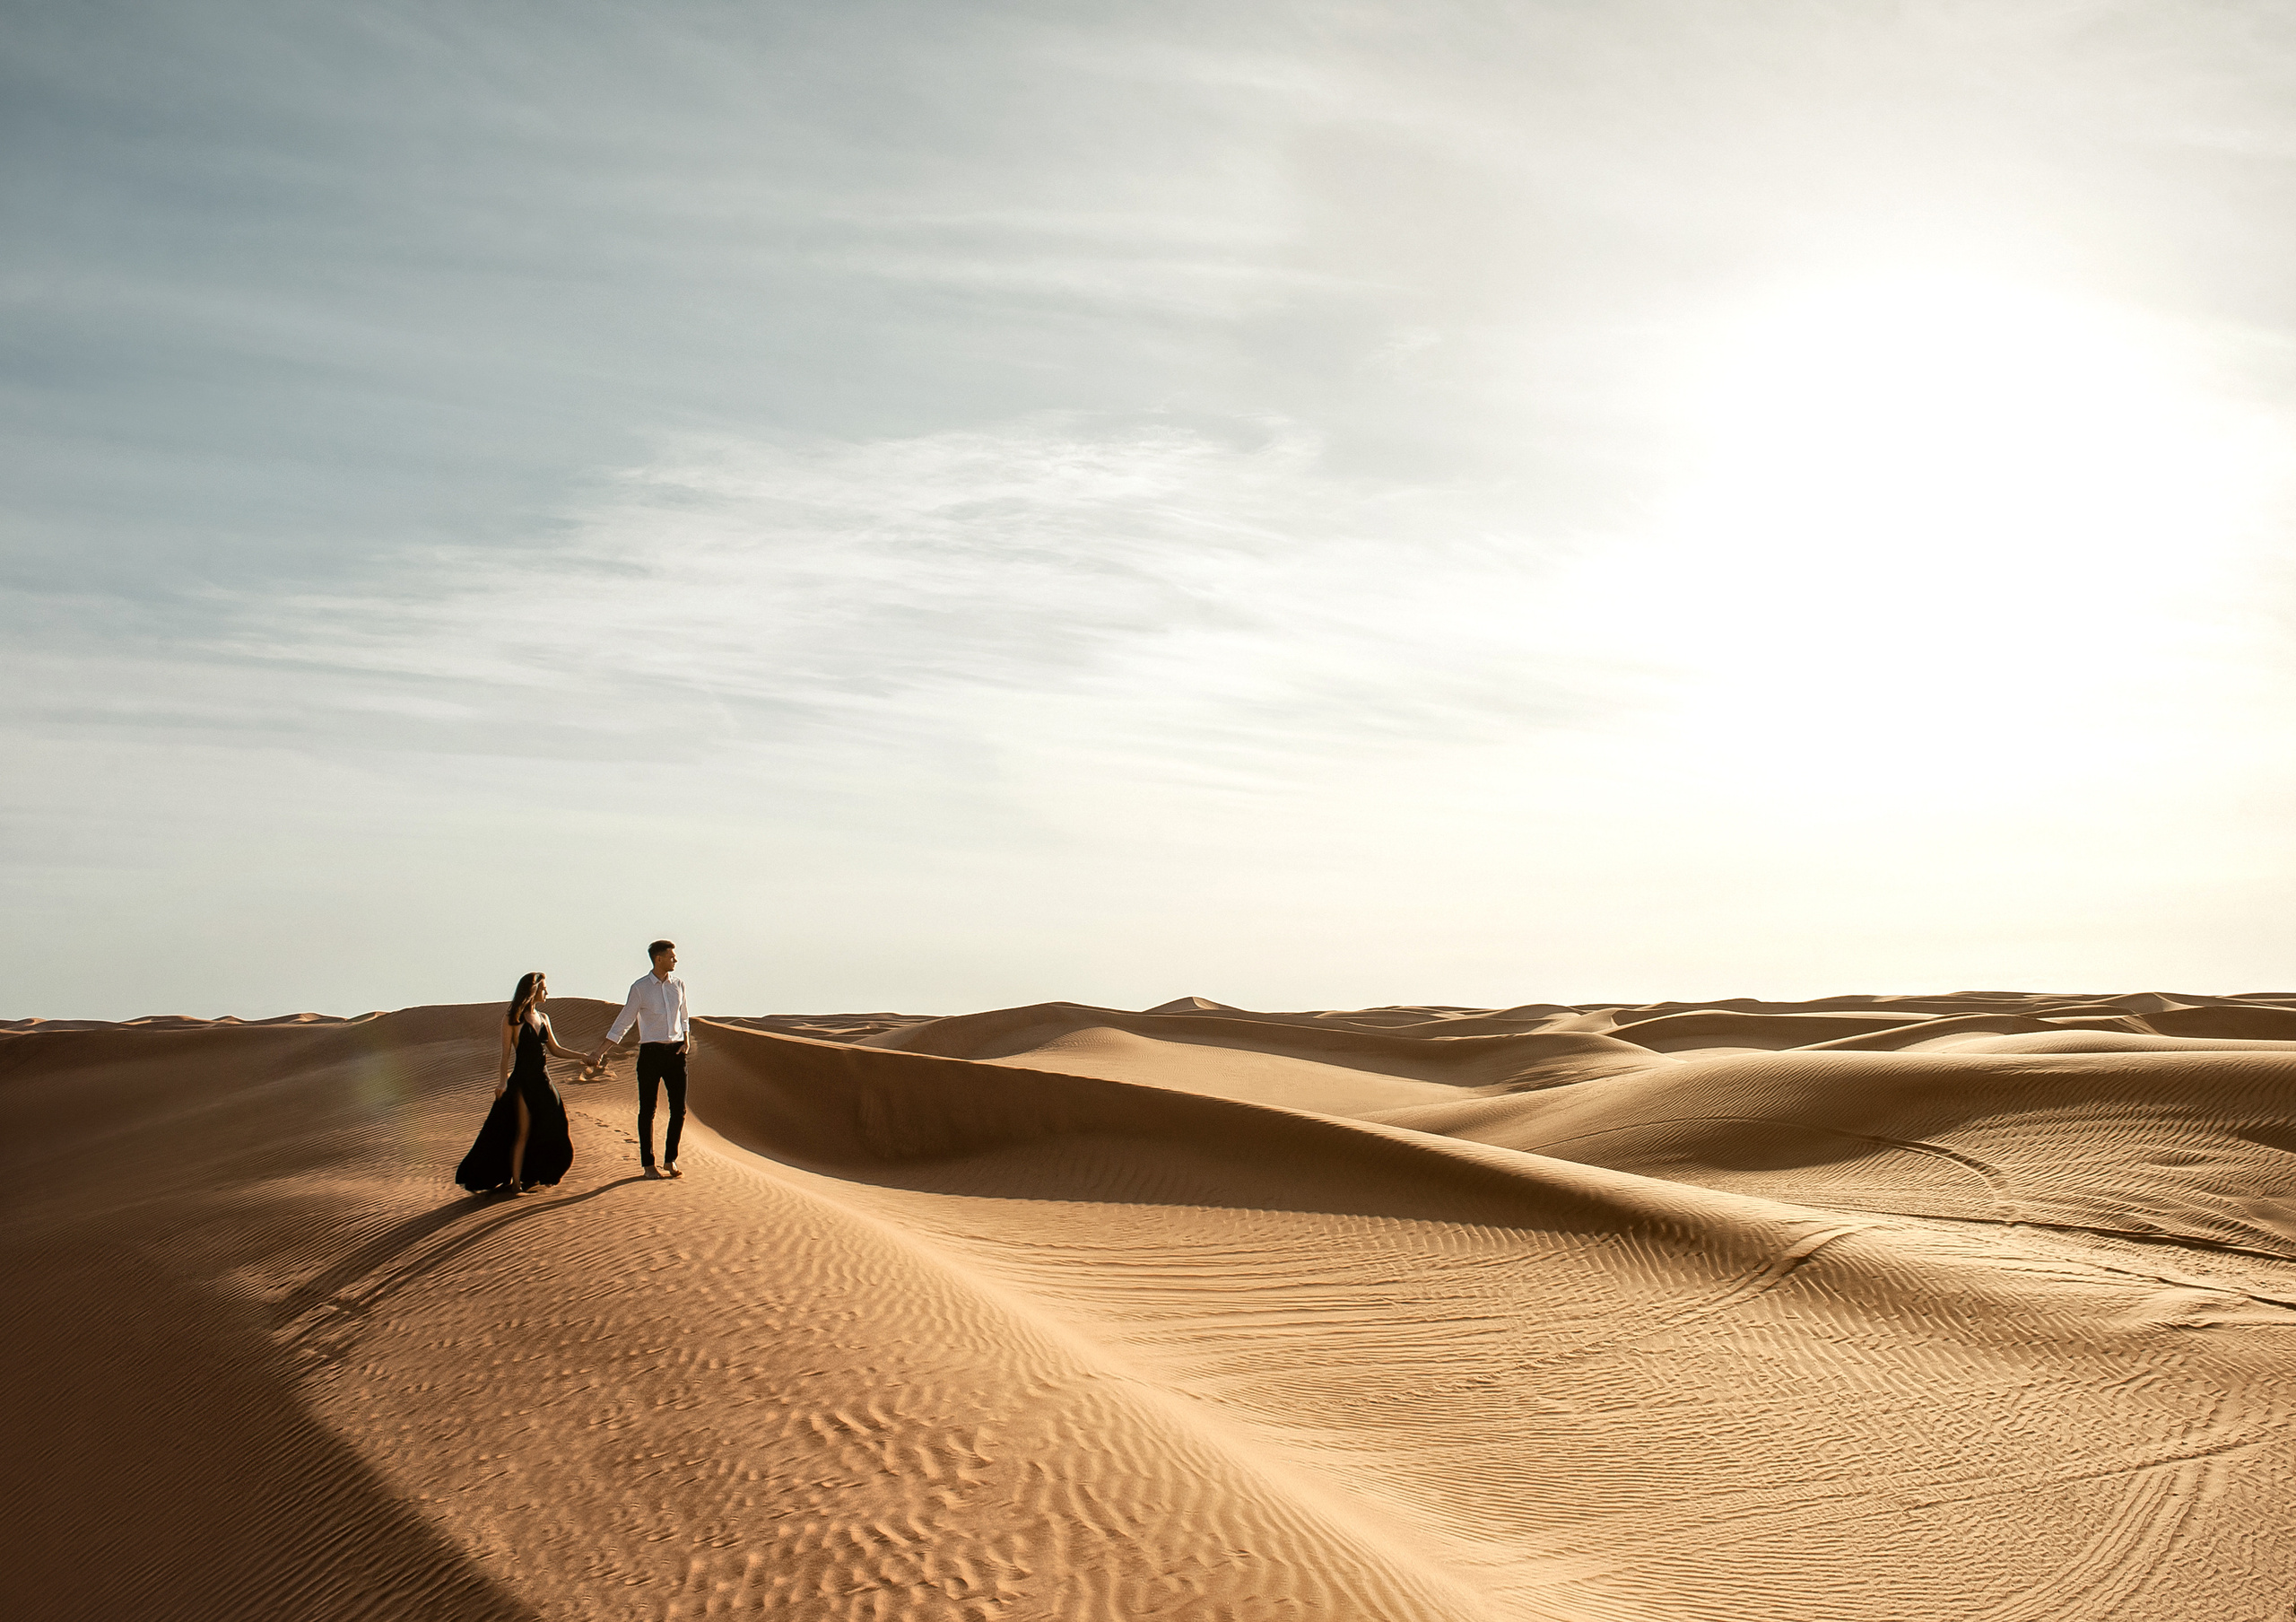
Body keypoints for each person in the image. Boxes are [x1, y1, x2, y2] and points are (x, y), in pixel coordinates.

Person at [455, 970, 583, 1195]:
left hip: (544, 1081)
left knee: (555, 1123)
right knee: (522, 1131)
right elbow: (505, 1055)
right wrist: (502, 1083)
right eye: (544, 989)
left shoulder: (544, 1018)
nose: (547, 992)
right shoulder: (512, 1018)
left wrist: (584, 1056)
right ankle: (515, 1184)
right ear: (533, 991)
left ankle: (539, 1172)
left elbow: (555, 1049)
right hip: (522, 1082)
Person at [593, 939, 692, 1178]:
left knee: (679, 1110)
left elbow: (685, 1015)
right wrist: (601, 1050)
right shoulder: (640, 988)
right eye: (671, 956)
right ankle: (648, 1164)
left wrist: (687, 1039)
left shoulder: (678, 984)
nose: (675, 960)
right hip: (651, 1054)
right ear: (658, 959)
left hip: (677, 1052)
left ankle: (670, 1160)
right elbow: (624, 1022)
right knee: (648, 1110)